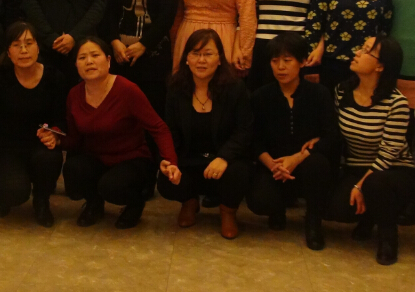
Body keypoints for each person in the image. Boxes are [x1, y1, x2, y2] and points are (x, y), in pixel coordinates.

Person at [61, 38, 179, 229]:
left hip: (130, 158)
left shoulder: (127, 90)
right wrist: (56, 138)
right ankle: (94, 204)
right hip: (96, 158)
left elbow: (159, 127)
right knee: (73, 169)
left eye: (95, 55)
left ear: (108, 60)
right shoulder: (74, 94)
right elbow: (74, 139)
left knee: (112, 187)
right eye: (82, 58)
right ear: (76, 65)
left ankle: (135, 203)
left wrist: (170, 160)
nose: (89, 61)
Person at [328, 37, 415, 266]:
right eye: (361, 47)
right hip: (357, 166)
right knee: (337, 209)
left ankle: (388, 237)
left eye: (366, 51)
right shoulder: (342, 91)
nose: (357, 53)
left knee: (375, 184)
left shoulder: (396, 103)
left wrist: (360, 185)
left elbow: (389, 153)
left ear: (380, 66)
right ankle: (368, 217)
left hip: (394, 170)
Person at [246, 33, 338, 250]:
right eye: (275, 61)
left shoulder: (319, 94)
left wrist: (297, 158)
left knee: (318, 164)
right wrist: (272, 164)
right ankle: (277, 210)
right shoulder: (260, 97)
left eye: (287, 60)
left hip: (306, 164)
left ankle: (313, 223)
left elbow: (332, 136)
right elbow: (253, 139)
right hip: (273, 166)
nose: (280, 67)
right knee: (259, 200)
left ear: (302, 62)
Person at [160, 30, 253, 239]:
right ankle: (189, 202)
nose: (201, 60)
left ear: (219, 59)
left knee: (239, 172)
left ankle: (227, 212)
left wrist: (224, 157)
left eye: (208, 54)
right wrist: (170, 160)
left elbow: (244, 130)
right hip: (190, 159)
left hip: (224, 160)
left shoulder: (235, 88)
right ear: (187, 58)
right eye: (195, 53)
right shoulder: (176, 88)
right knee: (166, 179)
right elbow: (170, 130)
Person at [0, 22, 66, 226]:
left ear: (38, 47)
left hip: (40, 145)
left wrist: (54, 135)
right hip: (7, 148)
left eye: (29, 43)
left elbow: (62, 119)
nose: (23, 50)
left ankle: (41, 201)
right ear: (8, 52)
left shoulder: (54, 77)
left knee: (50, 157)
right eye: (16, 45)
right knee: (13, 192)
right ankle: (2, 192)